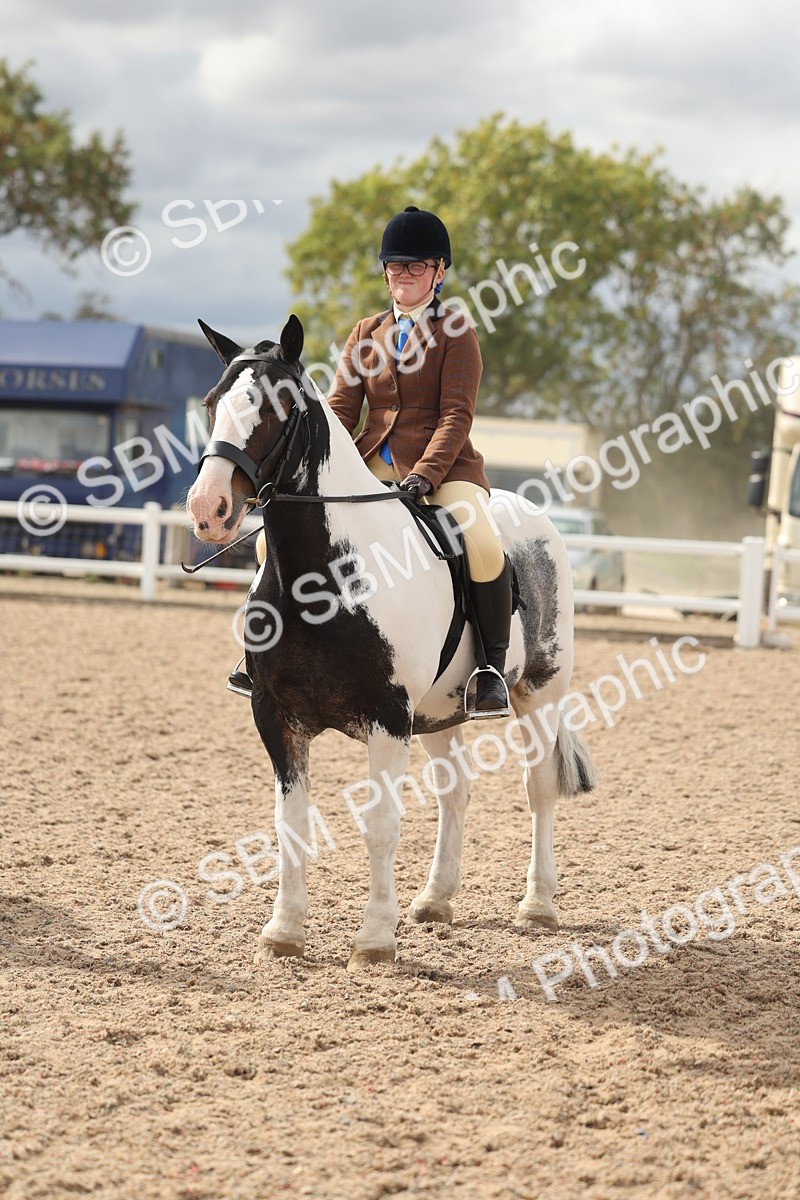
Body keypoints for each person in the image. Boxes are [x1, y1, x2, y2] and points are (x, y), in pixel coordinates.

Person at [228, 205, 512, 718]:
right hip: (368, 465)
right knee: (275, 534)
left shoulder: (457, 331)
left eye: (416, 266)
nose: (404, 275)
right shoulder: (366, 332)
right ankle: (266, 651)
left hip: (444, 470)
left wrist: (426, 475)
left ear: (439, 272)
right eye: (396, 267)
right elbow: (339, 408)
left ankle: (490, 667)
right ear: (385, 272)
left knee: (483, 542)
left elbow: (456, 416)